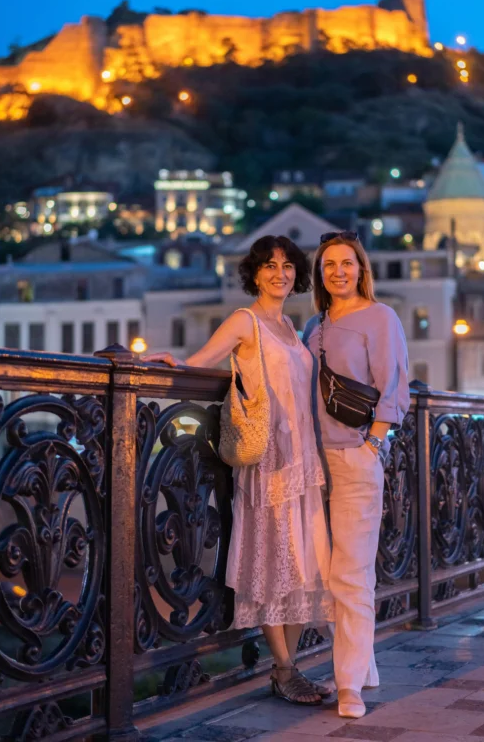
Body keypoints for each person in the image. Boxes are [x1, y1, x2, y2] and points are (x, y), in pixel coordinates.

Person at [144, 235, 334, 705]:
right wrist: (174, 362)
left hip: (303, 459)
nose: (280, 273)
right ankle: (285, 668)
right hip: (267, 460)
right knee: (275, 562)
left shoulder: (292, 328)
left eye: (288, 266)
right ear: (254, 272)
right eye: (270, 265)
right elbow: (201, 361)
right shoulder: (245, 321)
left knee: (303, 565)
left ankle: (287, 670)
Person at [303, 231, 410, 719]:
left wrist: (373, 444)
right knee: (323, 575)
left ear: (361, 268)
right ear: (319, 274)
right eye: (329, 265)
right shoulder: (315, 327)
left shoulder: (380, 317)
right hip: (311, 464)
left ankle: (349, 686)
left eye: (347, 263)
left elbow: (393, 387)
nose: (338, 271)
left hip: (355, 459)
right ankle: (356, 669)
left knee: (351, 574)